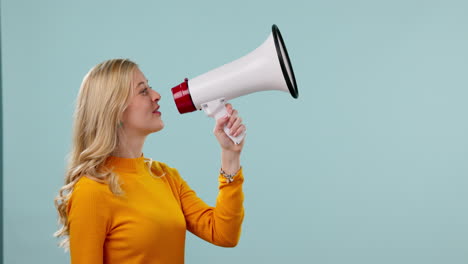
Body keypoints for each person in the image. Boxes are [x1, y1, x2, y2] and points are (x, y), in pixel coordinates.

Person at [54, 58, 246, 264]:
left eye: (150, 87)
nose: (156, 96)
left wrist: (230, 155)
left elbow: (224, 233)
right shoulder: (91, 191)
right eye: (143, 91)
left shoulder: (165, 176)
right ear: (114, 109)